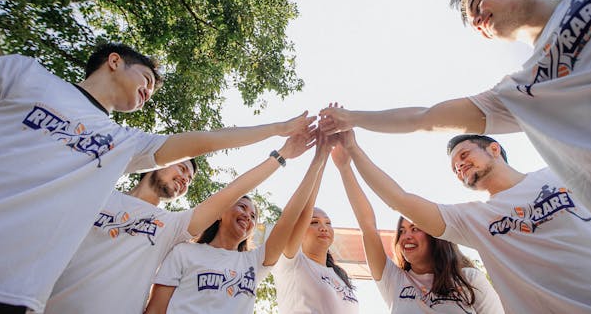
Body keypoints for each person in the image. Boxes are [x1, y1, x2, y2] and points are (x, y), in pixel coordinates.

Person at [318, 0, 591, 310]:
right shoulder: (518, 93)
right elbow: (424, 119)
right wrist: (351, 123)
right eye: (473, 23)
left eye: (478, 4)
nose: (477, 21)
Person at [0, 43, 315, 313]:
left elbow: (207, 152)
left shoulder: (124, 149)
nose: (149, 91)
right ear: (114, 61)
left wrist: (279, 140)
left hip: (5, 296)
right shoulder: (23, 73)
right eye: (146, 79)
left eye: (189, 175)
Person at [338, 130, 591, 313]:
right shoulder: (475, 220)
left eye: (463, 155)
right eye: (453, 166)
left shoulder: (558, 175)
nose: (459, 165)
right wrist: (349, 154)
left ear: (494, 148)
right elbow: (396, 201)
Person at [44, 126, 314, 313]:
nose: (185, 178)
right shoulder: (98, 195)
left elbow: (233, 191)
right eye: (182, 167)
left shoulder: (171, 227)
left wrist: (282, 155)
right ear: (157, 163)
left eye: (189, 179)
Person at [144, 130, 332, 314]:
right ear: (220, 213)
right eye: (242, 207)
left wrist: (319, 160)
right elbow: (155, 309)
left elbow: (288, 220)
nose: (247, 217)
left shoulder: (255, 262)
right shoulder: (184, 252)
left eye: (253, 216)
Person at [332, 134, 503, 313]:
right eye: (402, 231)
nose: (406, 236)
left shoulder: (469, 279)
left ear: (435, 235)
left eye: (414, 229)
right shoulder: (393, 280)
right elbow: (367, 225)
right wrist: (345, 169)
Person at [271, 156, 358, 314]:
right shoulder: (291, 263)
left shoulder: (339, 276)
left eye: (328, 223)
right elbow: (304, 209)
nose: (324, 227)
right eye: (314, 222)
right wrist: (322, 156)